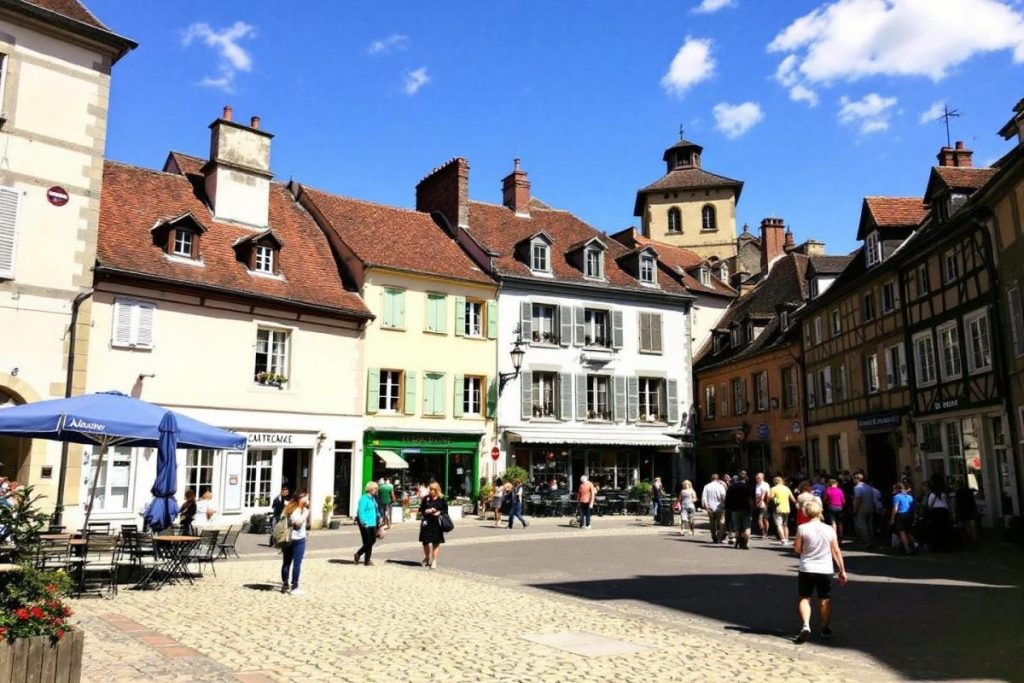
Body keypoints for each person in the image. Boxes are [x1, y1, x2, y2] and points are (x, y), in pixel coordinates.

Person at [793, 498, 848, 643]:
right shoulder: (829, 529)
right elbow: (836, 550)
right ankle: (824, 628)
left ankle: (806, 625)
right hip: (825, 568)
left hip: (807, 567)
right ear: (820, 512)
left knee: (804, 598)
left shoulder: (802, 528)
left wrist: (802, 549)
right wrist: (842, 570)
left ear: (805, 513)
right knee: (824, 599)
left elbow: (797, 548)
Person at [280, 490, 310, 595]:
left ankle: (285, 584)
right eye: (307, 497)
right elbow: (297, 524)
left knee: (286, 562)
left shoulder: (289, 507)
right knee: (296, 564)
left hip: (287, 539)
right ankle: (294, 586)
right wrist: (305, 514)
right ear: (301, 499)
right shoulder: (297, 510)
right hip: (297, 540)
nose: (308, 500)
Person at [419, 481, 448, 569]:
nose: (430, 491)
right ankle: (427, 557)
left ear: (436, 490)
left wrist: (439, 512)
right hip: (426, 522)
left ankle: (434, 560)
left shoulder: (441, 499)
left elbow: (445, 510)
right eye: (429, 489)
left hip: (436, 522)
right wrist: (426, 511)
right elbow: (421, 509)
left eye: (432, 489)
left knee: (436, 542)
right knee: (425, 542)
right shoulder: (426, 499)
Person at [724, 472, 755, 550]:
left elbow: (727, 499)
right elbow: (751, 499)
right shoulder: (748, 487)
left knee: (737, 527)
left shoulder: (732, 487)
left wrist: (728, 508)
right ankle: (745, 543)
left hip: (735, 509)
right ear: (746, 478)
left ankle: (737, 541)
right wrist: (753, 508)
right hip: (746, 509)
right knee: (747, 526)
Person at [355, 481, 381, 566]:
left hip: (373, 522)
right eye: (375, 488)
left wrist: (379, 517)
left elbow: (375, 510)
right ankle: (359, 554)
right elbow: (361, 511)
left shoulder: (373, 498)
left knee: (372, 540)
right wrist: (363, 521)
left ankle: (366, 560)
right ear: (370, 488)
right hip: (365, 522)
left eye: (377, 488)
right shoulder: (364, 498)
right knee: (368, 541)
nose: (376, 490)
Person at [769, 476, 797, 545]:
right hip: (786, 508)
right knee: (785, 524)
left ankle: (783, 539)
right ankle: (787, 538)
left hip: (777, 508)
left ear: (774, 482)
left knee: (779, 524)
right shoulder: (787, 488)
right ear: (782, 481)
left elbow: (770, 498)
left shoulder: (773, 489)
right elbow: (793, 499)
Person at [701, 474, 727, 543]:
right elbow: (723, 496)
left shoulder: (707, 486)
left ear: (711, 478)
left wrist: (705, 505)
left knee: (712, 522)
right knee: (721, 522)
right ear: (718, 479)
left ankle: (714, 536)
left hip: (710, 507)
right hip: (720, 507)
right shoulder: (721, 486)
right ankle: (720, 537)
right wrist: (723, 503)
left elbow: (704, 497)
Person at [891, 482, 916, 555]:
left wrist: (892, 518)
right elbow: (913, 507)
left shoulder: (896, 497)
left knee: (902, 533)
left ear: (897, 489)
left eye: (894, 488)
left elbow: (895, 508)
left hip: (900, 515)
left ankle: (907, 549)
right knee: (909, 533)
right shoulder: (909, 496)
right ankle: (915, 546)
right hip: (909, 515)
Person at [852, 474, 875, 548]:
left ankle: (867, 542)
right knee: (870, 525)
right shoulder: (869, 487)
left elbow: (857, 499)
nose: (853, 480)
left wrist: (855, 510)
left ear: (857, 479)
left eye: (854, 479)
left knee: (862, 526)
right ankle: (871, 540)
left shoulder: (858, 488)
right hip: (870, 508)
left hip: (861, 508)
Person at [955, 480, 979, 548]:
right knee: (972, 527)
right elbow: (973, 501)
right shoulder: (969, 491)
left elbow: (957, 505)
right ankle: (975, 541)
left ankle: (971, 540)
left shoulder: (958, 493)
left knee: (967, 526)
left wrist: (957, 514)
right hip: (971, 510)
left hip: (964, 512)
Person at [753, 472, 771, 540]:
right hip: (757, 504)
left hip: (763, 504)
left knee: (762, 519)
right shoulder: (757, 484)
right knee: (762, 519)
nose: (757, 478)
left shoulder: (765, 484)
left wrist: (766, 504)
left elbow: (768, 495)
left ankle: (764, 533)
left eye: (758, 477)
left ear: (762, 478)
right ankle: (764, 533)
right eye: (756, 477)